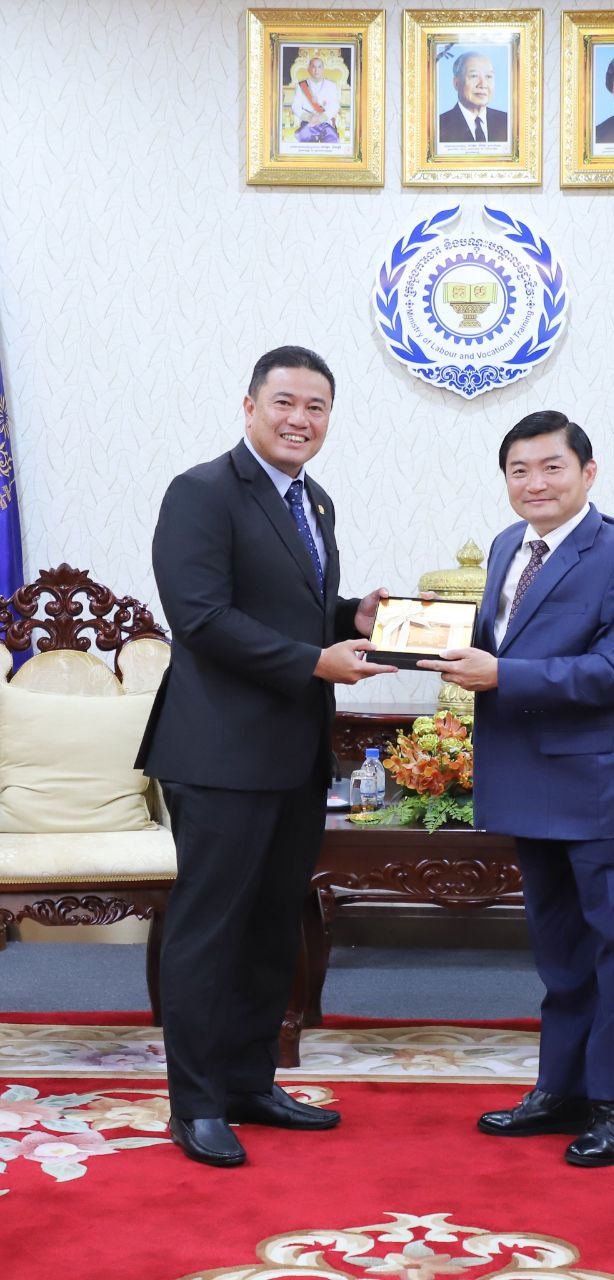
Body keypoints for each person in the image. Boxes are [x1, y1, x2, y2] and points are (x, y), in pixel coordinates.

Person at [136, 345, 396, 1168]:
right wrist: (315, 660)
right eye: (284, 402)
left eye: (316, 407)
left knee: (271, 926)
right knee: (210, 929)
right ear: (249, 407)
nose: (299, 419)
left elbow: (291, 608)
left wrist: (351, 617)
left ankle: (250, 1083)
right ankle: (196, 1105)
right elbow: (201, 617)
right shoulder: (202, 491)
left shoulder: (314, 500)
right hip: (219, 752)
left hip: (294, 750)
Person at [419, 411, 614, 1168]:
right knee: (560, 951)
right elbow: (497, 644)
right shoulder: (507, 545)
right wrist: (415, 637)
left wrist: (502, 674)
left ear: (587, 473)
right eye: (519, 470)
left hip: (595, 781)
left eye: (551, 467)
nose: (535, 483)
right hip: (525, 774)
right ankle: (561, 1090)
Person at [438, 51, 509, 144]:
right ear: (456, 83)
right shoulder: (439, 125)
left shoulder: (507, 121)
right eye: (474, 76)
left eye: (488, 76)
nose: (483, 85)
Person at [291, 56, 341, 143]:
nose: (316, 70)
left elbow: (335, 106)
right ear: (309, 69)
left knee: (333, 139)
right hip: (308, 122)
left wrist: (322, 118)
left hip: (325, 121)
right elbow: (295, 106)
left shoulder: (331, 85)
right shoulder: (301, 85)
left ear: (323, 69)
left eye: (319, 67)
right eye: (313, 67)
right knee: (303, 137)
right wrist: (309, 117)